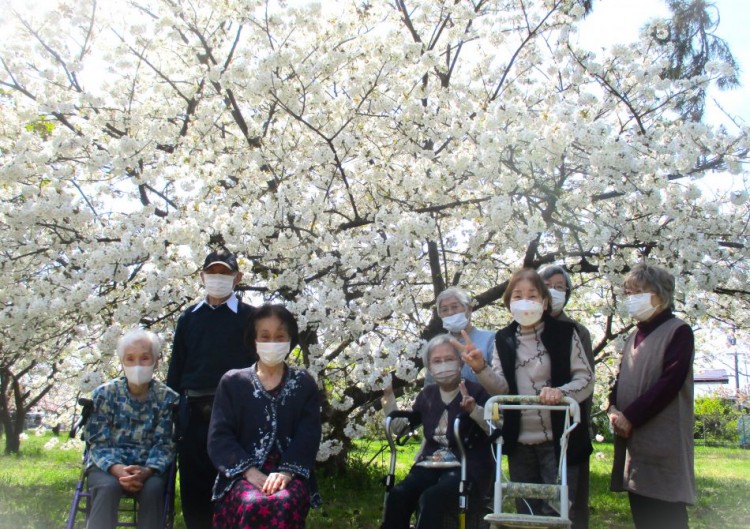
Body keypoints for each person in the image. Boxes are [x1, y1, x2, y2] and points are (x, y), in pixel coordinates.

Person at [461, 268, 593, 520]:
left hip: (559, 441)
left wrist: (560, 393)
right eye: (517, 295)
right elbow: (500, 389)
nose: (525, 301)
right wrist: (480, 368)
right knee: (527, 513)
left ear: (544, 302)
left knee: (557, 513)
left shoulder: (567, 333)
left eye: (532, 295)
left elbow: (585, 378)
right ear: (509, 303)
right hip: (519, 441)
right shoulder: (504, 339)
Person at [208, 304, 322, 529]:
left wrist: (286, 473)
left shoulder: (304, 383)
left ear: (290, 340)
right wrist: (249, 472)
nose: (273, 343)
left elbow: (308, 435)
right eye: (265, 336)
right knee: (252, 502)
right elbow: (219, 437)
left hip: (290, 473)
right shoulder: (233, 382)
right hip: (241, 474)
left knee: (284, 501)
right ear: (254, 340)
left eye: (280, 337)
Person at [166, 247, 255, 529]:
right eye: (212, 272)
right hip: (193, 414)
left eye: (225, 272)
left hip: (235, 415)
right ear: (202, 277)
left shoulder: (251, 318)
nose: (218, 277)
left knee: (233, 483)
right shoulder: (189, 318)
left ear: (237, 277)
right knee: (194, 487)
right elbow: (176, 369)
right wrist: (172, 409)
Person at [607, 263, 695, 529]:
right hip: (635, 443)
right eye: (629, 293)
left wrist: (631, 416)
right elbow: (621, 378)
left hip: (663, 441)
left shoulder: (678, 331)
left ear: (661, 294)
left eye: (640, 292)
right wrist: (612, 407)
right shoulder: (634, 334)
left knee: (667, 516)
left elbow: (670, 382)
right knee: (643, 512)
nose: (633, 299)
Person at [382, 334, 493, 529]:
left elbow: (494, 428)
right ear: (430, 368)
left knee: (432, 497)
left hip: (467, 468)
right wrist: (388, 395)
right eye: (437, 361)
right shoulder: (428, 395)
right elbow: (401, 428)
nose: (443, 365)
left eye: (449, 359)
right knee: (398, 495)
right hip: (429, 465)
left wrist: (474, 410)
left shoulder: (476, 391)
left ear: (460, 362)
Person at [85, 328, 179, 529]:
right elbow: (97, 441)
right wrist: (117, 469)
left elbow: (165, 443)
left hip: (148, 468)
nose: (137, 365)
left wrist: (145, 472)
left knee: (154, 489)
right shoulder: (104, 394)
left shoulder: (168, 399)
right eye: (130, 359)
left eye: (145, 358)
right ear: (122, 362)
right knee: (108, 487)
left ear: (156, 361)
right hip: (106, 465)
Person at [539, 264, 595, 529]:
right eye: (548, 285)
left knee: (568, 504)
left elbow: (586, 380)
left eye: (560, 287)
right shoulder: (519, 329)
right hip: (532, 429)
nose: (553, 291)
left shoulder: (577, 331)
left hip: (568, 426)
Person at [426, 287, 495, 385]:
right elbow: (430, 387)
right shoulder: (437, 346)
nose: (450, 313)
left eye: (454, 307)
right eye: (444, 310)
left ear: (469, 309)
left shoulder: (490, 339)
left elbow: (501, 382)